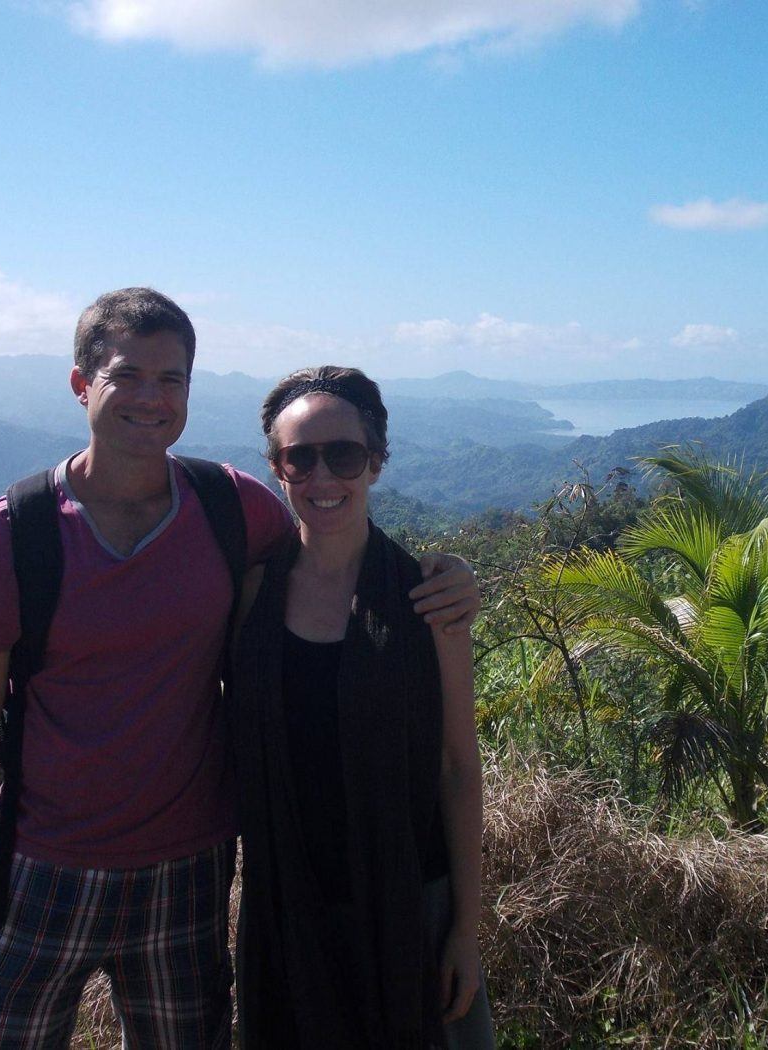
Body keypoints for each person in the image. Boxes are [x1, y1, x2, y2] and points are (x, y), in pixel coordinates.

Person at [0, 290, 479, 1048]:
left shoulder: (227, 511)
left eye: (173, 380)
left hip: (189, 874)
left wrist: (454, 576)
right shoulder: (13, 535)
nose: (152, 399)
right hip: (40, 870)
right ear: (80, 383)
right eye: (129, 376)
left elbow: (332, 548)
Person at [231, 366, 496, 1049]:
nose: (323, 477)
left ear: (377, 461)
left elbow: (458, 768)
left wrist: (465, 931)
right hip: (288, 906)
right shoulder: (253, 593)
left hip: (409, 905)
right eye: (300, 457)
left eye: (343, 455)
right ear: (277, 469)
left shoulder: (427, 599)